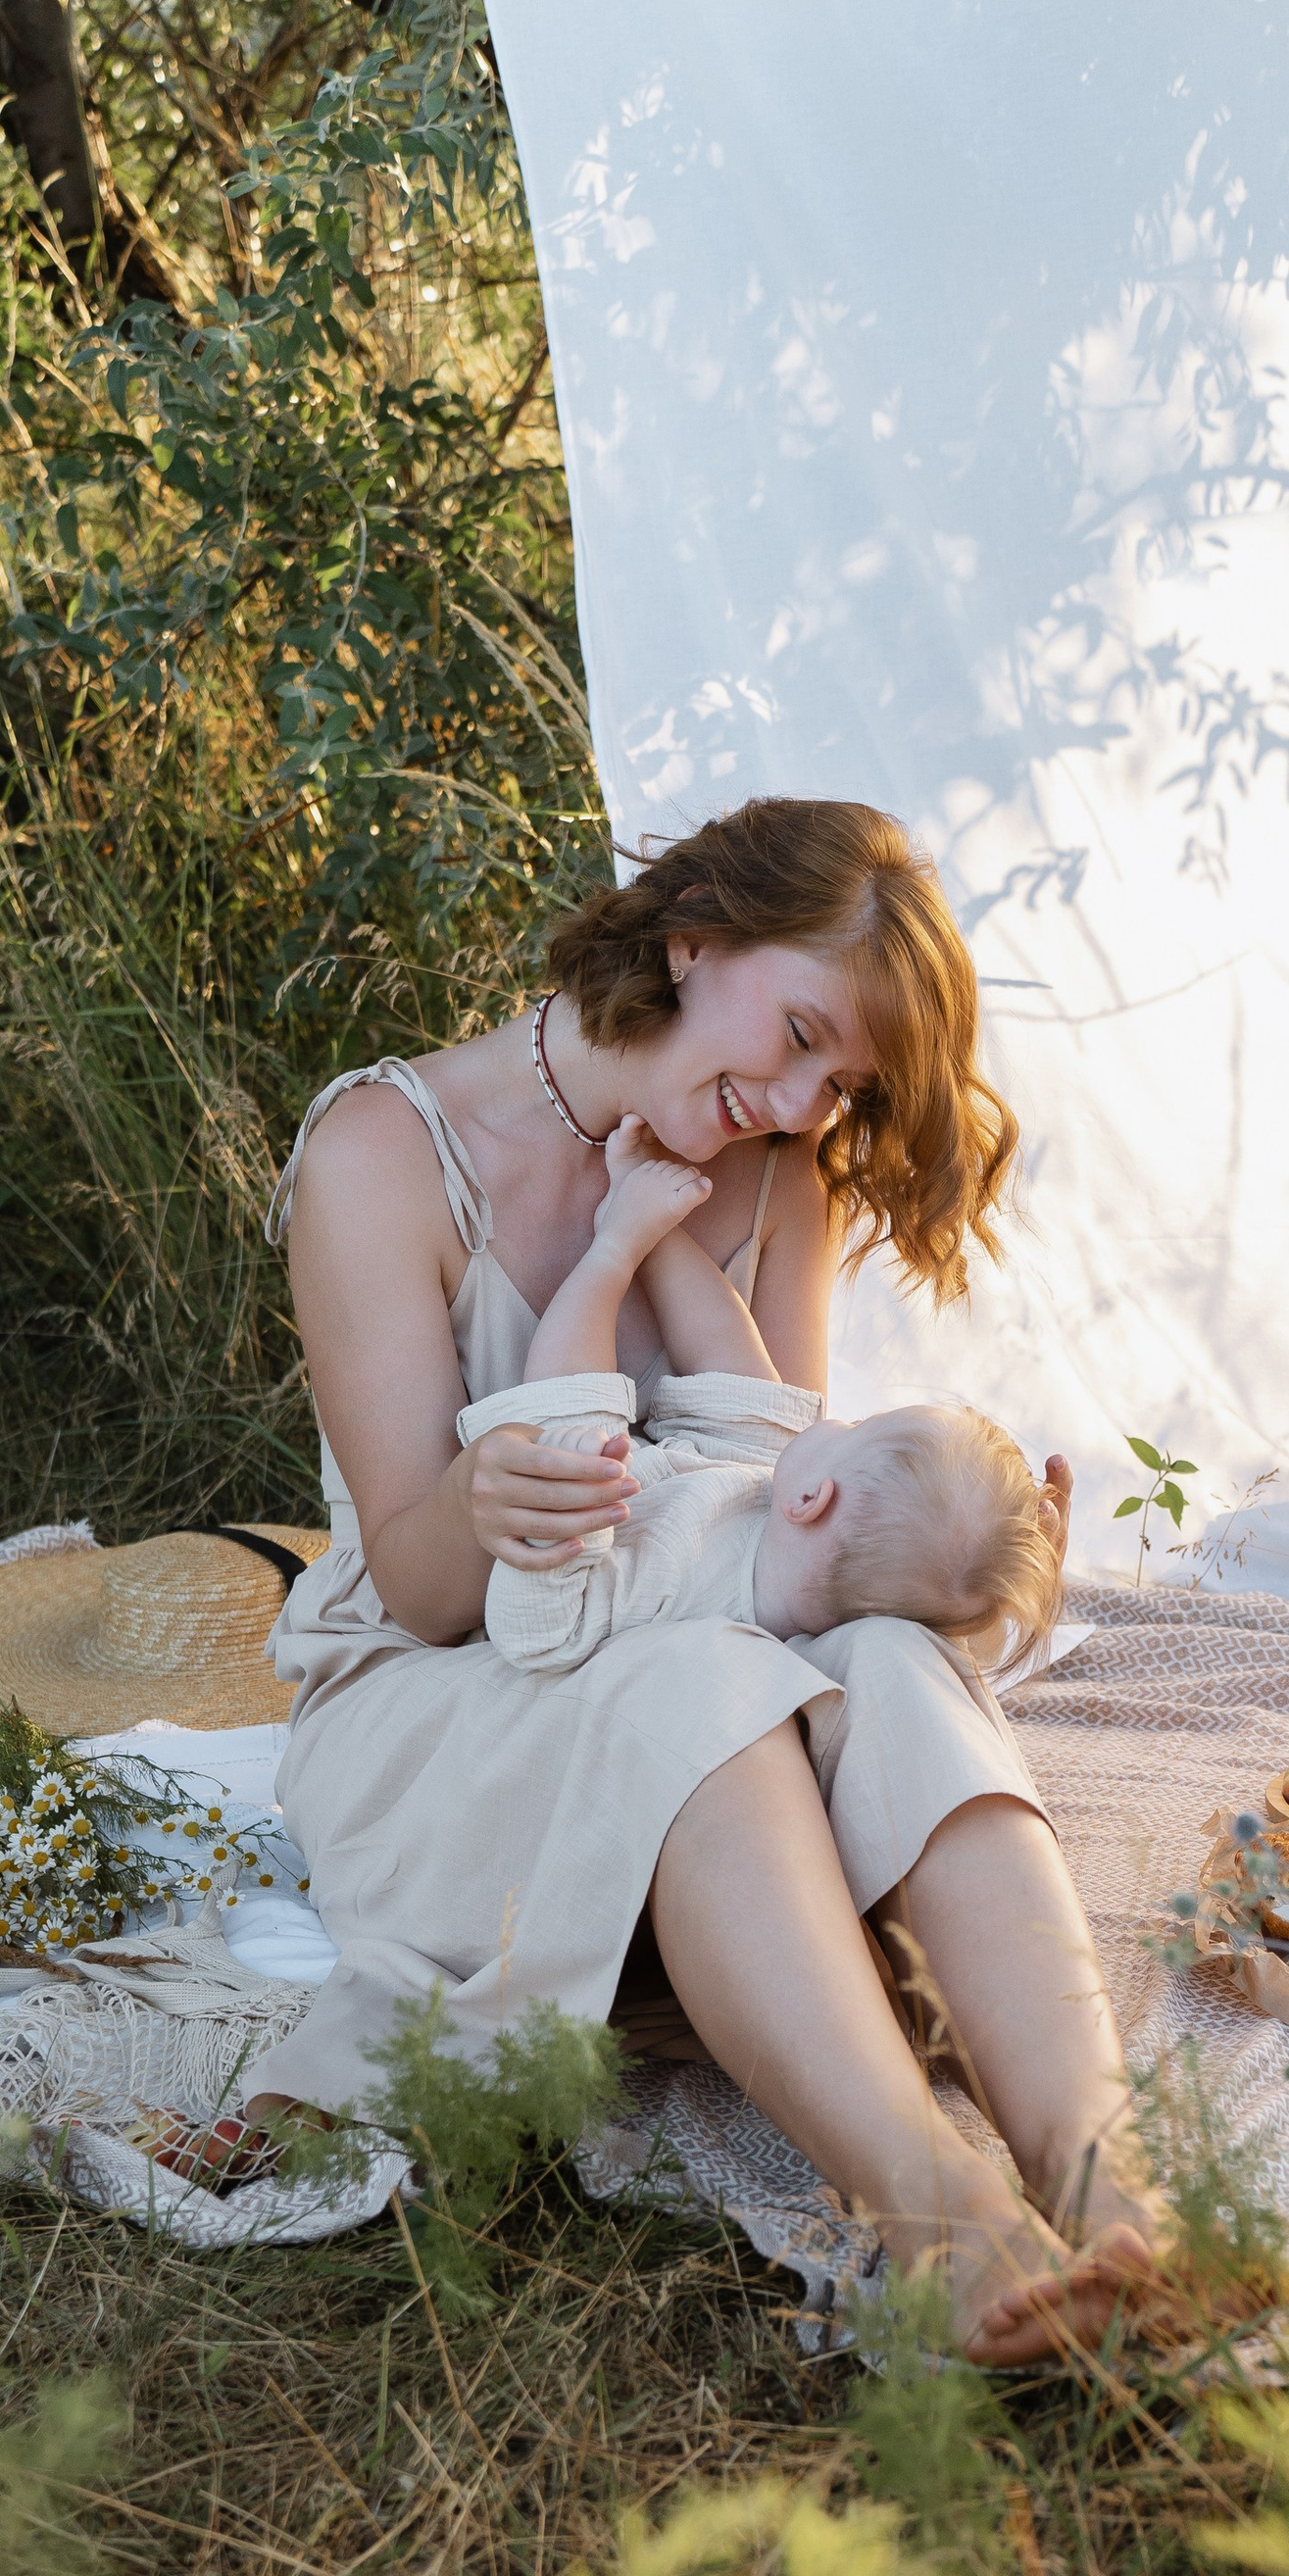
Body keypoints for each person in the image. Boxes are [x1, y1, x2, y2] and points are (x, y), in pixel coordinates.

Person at [223, 794, 1172, 2360]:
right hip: (440, 1712)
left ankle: (1112, 2190)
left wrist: (970, 1587)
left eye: (841, 1079)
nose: (800, 1104)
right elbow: (411, 1586)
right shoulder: (384, 1153)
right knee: (704, 1681)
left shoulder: (781, 1180)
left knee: (898, 1668)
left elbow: (786, 1534)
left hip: (700, 1716)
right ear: (694, 940)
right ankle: (943, 2222)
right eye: (799, 1032)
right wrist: (486, 1495)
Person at [457, 1115, 1063, 1677]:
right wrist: (657, 1232)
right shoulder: (780, 1511)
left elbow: (536, 1636)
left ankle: (610, 1250)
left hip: (584, 1542)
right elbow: (725, 1354)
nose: (841, 1418)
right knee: (743, 1391)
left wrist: (618, 1247)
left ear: (812, 1498)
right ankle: (640, 1232)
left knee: (568, 1415)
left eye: (858, 1426)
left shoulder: (673, 1582)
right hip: (682, 1485)